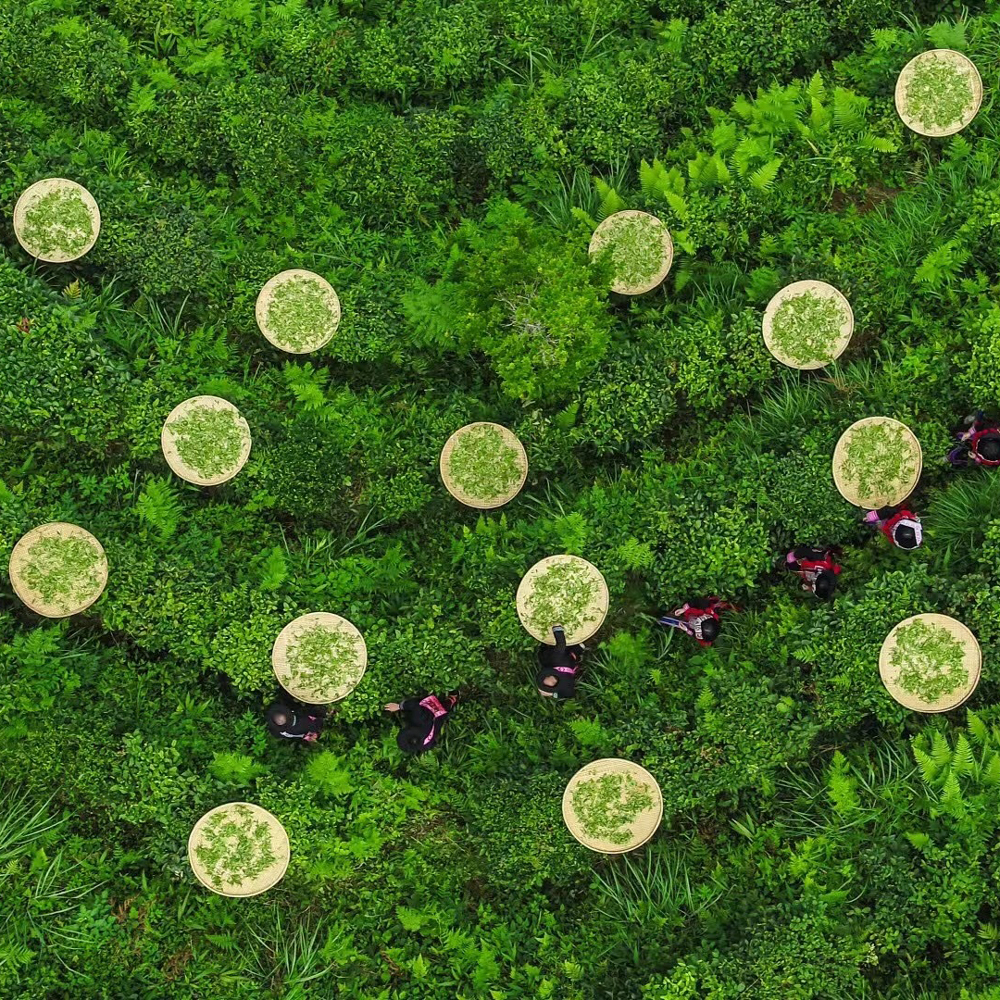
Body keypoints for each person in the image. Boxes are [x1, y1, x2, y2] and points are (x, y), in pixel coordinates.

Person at [385, 692, 458, 754]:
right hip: (431, 704)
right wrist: (399, 706)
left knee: (445, 707)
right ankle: (447, 698)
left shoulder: (425, 745)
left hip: (440, 715)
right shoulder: (417, 718)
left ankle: (452, 700)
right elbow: (415, 705)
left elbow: (434, 743)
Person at [657, 597, 732, 647]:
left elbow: (694, 635)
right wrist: (684, 609)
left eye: (696, 628)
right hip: (692, 611)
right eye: (696, 622)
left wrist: (687, 630)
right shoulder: (705, 607)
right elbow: (697, 601)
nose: (691, 623)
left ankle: (661, 622)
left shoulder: (702, 638)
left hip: (689, 620)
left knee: (676, 622)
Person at [536, 624, 584, 700]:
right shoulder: (565, 684)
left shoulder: (555, 658)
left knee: (555, 650)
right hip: (569, 660)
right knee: (574, 652)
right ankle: (577, 649)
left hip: (555, 655)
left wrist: (557, 629)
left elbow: (560, 645)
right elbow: (569, 694)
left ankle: (546, 645)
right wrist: (552, 693)